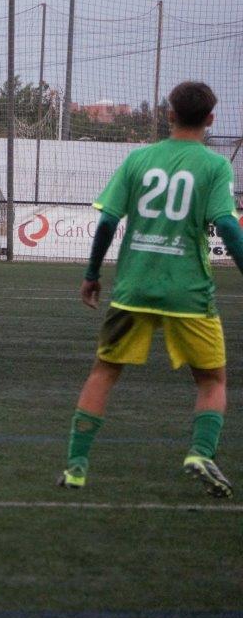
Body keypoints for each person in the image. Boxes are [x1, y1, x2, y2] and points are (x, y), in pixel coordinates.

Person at [59, 81, 237, 498]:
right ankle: (200, 452)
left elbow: (107, 221)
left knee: (103, 372)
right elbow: (227, 226)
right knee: (212, 381)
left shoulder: (138, 159)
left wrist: (91, 273)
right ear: (211, 119)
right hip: (188, 292)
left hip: (133, 288)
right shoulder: (215, 167)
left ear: (169, 115)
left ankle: (76, 467)